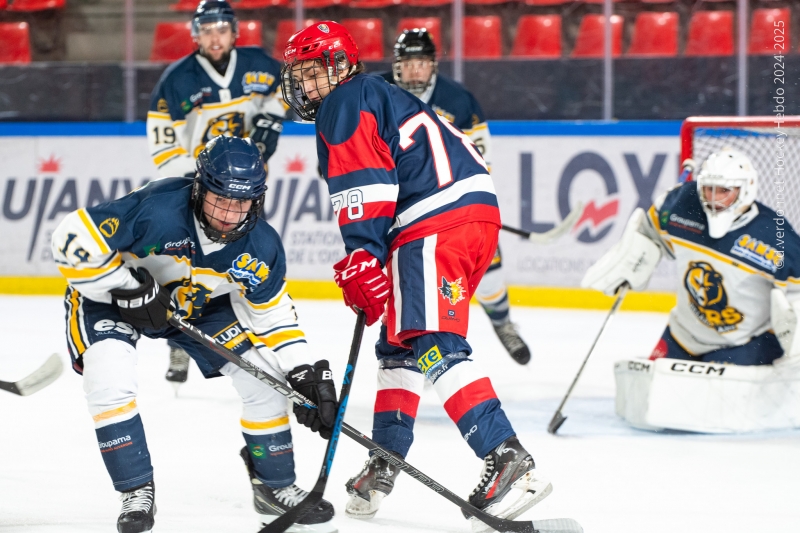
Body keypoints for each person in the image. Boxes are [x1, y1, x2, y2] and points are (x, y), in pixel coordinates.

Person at [280, 21, 552, 528]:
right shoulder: (375, 92)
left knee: (431, 340)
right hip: (466, 218)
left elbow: (369, 183)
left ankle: (506, 456)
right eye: (300, 73)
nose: (306, 84)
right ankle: (385, 463)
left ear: (340, 66)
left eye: (314, 71)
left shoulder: (346, 100)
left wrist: (362, 254)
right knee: (400, 345)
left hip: (434, 222)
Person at [51, 136, 337, 533]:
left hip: (192, 308)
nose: (229, 213)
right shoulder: (158, 207)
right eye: (220, 198)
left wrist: (302, 372)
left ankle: (274, 487)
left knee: (268, 383)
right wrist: (125, 285)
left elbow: (272, 314)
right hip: (112, 300)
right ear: (200, 186)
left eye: (242, 202)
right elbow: (71, 238)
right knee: (109, 376)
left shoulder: (261, 244)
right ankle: (135, 490)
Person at [147, 0, 287, 386]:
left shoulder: (259, 64)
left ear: (234, 32)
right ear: (195, 34)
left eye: (221, 29)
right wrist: (197, 180)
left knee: (244, 258)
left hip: (247, 190)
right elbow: (164, 147)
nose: (214, 36)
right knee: (183, 264)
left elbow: (288, 89)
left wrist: (271, 117)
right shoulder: (177, 80)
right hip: (198, 191)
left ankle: (255, 328)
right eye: (206, 29)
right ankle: (179, 339)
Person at [379, 28, 531, 365]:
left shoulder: (459, 101)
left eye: (421, 62)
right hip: (399, 207)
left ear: (433, 64)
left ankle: (502, 323)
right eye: (408, 63)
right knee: (406, 275)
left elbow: (481, 161)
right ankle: (410, 343)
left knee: (486, 265)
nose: (415, 70)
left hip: (448, 203)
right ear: (397, 65)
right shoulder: (378, 91)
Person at [583, 148, 800, 366]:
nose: (714, 198)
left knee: (720, 400)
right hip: (683, 335)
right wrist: (634, 255)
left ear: (745, 190)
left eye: (723, 190)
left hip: (743, 342)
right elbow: (652, 230)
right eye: (708, 189)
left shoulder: (775, 235)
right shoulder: (682, 205)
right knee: (654, 394)